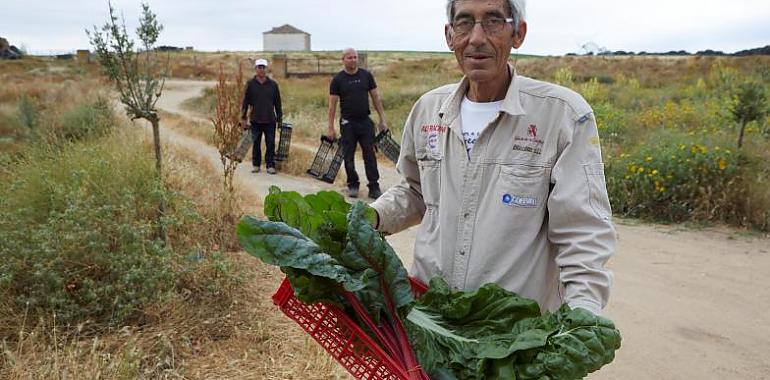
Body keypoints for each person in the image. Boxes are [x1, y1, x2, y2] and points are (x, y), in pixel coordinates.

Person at [371, 0, 615, 316]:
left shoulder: (563, 116)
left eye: (493, 21)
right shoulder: (429, 109)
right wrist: (372, 218)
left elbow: (582, 232)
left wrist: (582, 312)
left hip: (512, 335)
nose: (476, 38)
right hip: (430, 319)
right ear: (449, 35)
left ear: (518, 33)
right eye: (464, 22)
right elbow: (416, 192)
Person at [326, 48, 388, 199]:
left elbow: (376, 98)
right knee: (348, 155)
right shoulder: (338, 80)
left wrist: (382, 119)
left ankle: (374, 186)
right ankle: (353, 185)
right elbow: (332, 105)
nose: (353, 60)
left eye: (355, 57)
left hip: (365, 122)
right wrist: (330, 127)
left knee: (370, 155)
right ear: (343, 60)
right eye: (349, 57)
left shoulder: (366, 76)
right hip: (347, 123)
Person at [241, 58, 282, 174]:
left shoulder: (273, 85)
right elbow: (245, 102)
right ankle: (256, 165)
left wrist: (280, 119)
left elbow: (278, 103)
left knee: (270, 143)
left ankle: (270, 165)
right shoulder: (250, 84)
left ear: (266, 69)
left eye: (263, 67)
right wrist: (243, 117)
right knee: (256, 143)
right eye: (259, 67)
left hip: (270, 119)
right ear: (255, 69)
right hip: (255, 118)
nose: (261, 70)